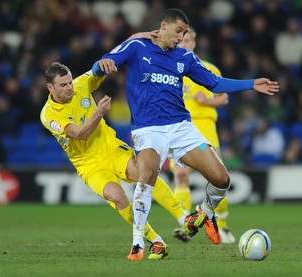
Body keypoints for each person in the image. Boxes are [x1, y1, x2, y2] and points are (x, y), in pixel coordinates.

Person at [93, 8, 279, 259]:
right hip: (149, 128)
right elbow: (105, 62)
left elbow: (215, 83)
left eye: (185, 33)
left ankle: (204, 213)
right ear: (163, 26)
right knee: (146, 176)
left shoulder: (185, 58)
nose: (181, 38)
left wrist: (251, 84)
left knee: (222, 179)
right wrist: (100, 66)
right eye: (179, 31)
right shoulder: (138, 46)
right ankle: (137, 242)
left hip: (181, 128)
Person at [40, 33, 207, 262]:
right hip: (89, 165)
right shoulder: (48, 115)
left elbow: (97, 68)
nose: (69, 87)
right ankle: (155, 240)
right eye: (63, 85)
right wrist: (98, 113)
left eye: (70, 82)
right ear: (51, 87)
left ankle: (183, 218)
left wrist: (133, 39)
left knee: (144, 173)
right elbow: (79, 134)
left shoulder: (80, 85)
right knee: (117, 197)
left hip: (111, 149)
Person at [170, 27, 235, 244]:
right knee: (180, 175)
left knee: (217, 177)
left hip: (204, 127)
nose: (185, 44)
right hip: (179, 128)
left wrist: (207, 101)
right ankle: (185, 225)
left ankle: (223, 227)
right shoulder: (170, 68)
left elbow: (224, 98)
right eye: (181, 41)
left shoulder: (207, 68)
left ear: (194, 44)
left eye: (188, 41)